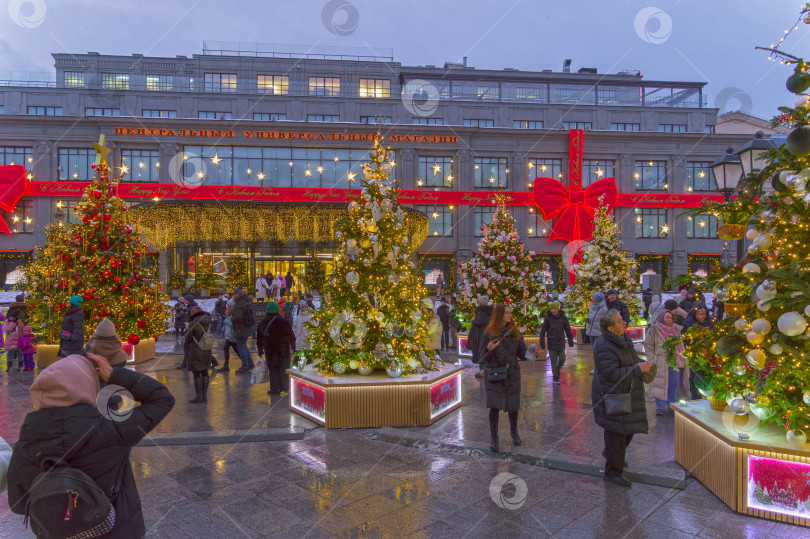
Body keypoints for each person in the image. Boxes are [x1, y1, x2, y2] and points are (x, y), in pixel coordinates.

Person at [7, 353, 175, 538]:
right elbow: (162, 399)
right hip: (115, 530)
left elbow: (18, 504)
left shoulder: (28, 439)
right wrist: (114, 375)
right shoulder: (112, 428)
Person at [591, 309, 653, 487]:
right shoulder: (604, 345)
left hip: (627, 392)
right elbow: (610, 373)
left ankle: (611, 454)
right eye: (619, 321)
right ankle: (612, 472)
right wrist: (637, 369)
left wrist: (642, 363)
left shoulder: (622, 339)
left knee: (627, 430)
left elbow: (630, 359)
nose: (624, 323)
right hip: (614, 395)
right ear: (611, 328)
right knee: (617, 432)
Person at [479, 304, 526, 453]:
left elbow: (523, 353)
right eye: (506, 312)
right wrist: (488, 349)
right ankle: (494, 438)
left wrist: (533, 353)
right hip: (495, 373)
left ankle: (514, 433)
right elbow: (481, 357)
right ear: (499, 315)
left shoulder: (514, 331)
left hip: (512, 373)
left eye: (510, 312)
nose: (509, 315)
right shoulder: (489, 332)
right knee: (494, 406)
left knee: (513, 406)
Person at [645, 311, 685, 415]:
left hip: (675, 362)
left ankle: (672, 405)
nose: (669, 319)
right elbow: (648, 345)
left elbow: (681, 345)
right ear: (661, 317)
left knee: (674, 384)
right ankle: (660, 407)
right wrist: (652, 360)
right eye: (667, 317)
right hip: (660, 361)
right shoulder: (655, 329)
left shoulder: (676, 329)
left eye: (671, 318)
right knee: (660, 384)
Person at [257, 302, 296, 396]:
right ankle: (286, 387)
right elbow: (291, 335)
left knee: (273, 368)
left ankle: (274, 389)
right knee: (284, 368)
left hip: (270, 349)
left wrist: (260, 349)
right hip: (283, 349)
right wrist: (293, 347)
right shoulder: (283, 321)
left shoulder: (263, 322)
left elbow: (260, 337)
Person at [681, 307, 715, 400]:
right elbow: (684, 338)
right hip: (693, 355)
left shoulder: (711, 322)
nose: (701, 316)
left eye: (703, 314)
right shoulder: (688, 323)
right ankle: (695, 397)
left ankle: (708, 396)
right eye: (699, 314)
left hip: (708, 354)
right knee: (694, 377)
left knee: (708, 376)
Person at [537, 302, 574, 384]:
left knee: (562, 358)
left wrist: (570, 341)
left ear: (558, 308)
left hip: (561, 342)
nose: (553, 310)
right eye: (551, 308)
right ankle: (555, 377)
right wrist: (542, 343)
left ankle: (556, 370)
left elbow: (568, 330)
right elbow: (543, 331)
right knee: (553, 361)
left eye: (554, 308)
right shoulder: (548, 319)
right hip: (551, 342)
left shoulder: (563, 318)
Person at [184, 306, 213, 403]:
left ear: (193, 313)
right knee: (205, 371)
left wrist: (186, 354)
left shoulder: (194, 323)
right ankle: (204, 396)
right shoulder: (209, 322)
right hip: (207, 349)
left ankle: (199, 397)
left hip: (196, 351)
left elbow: (187, 339)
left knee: (196, 373)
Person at [469, 296, 493, 378]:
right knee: (486, 351)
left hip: (480, 335)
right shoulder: (489, 312)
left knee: (481, 352)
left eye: (478, 301)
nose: (477, 303)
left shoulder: (480, 312)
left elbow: (478, 323)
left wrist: (473, 321)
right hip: (487, 334)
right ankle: (487, 369)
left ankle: (482, 370)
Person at [232, 289, 255, 374]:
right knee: (244, 346)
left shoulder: (239, 304)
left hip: (240, 328)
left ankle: (245, 365)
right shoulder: (246, 302)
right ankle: (250, 363)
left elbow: (238, 317)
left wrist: (231, 317)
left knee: (241, 347)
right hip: (246, 328)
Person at [219, 301, 241, 372]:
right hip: (230, 335)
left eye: (228, 305)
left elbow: (232, 324)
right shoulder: (229, 313)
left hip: (232, 335)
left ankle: (226, 366)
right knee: (235, 349)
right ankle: (246, 362)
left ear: (231, 306)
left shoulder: (234, 314)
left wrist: (224, 319)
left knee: (231, 349)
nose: (226, 306)